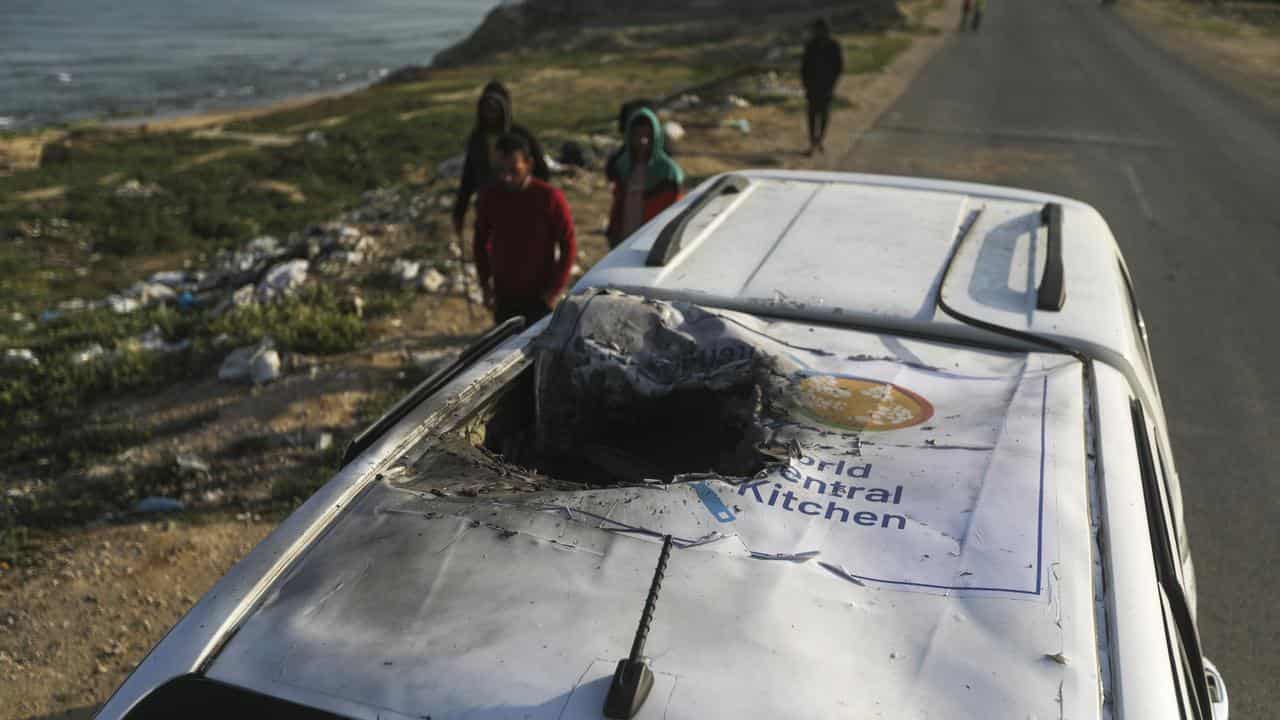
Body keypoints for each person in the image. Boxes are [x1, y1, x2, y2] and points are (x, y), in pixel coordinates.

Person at [473, 133, 576, 325]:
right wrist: (485, 285)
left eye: (514, 170)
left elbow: (568, 243)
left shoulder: (549, 197)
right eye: (501, 170)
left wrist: (554, 291)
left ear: (528, 164)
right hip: (504, 294)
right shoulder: (490, 197)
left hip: (540, 294)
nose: (507, 177)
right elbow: (480, 241)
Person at [452, 81, 550, 238]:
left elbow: (542, 172)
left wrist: (535, 200)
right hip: (488, 205)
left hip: (520, 205)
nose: (490, 112)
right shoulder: (477, 139)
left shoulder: (522, 136)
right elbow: (468, 177)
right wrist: (459, 212)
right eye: (486, 107)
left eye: (495, 106)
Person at [605, 107, 685, 249]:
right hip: (625, 237)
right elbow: (618, 204)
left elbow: (673, 216)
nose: (643, 141)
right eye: (637, 135)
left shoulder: (667, 172)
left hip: (651, 242)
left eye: (647, 135)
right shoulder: (623, 167)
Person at [801, 18, 843, 156]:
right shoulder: (811, 45)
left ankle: (819, 140)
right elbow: (804, 67)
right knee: (812, 114)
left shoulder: (833, 45)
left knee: (823, 113)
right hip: (812, 86)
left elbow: (838, 67)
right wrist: (806, 85)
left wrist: (832, 82)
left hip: (826, 85)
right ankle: (813, 141)